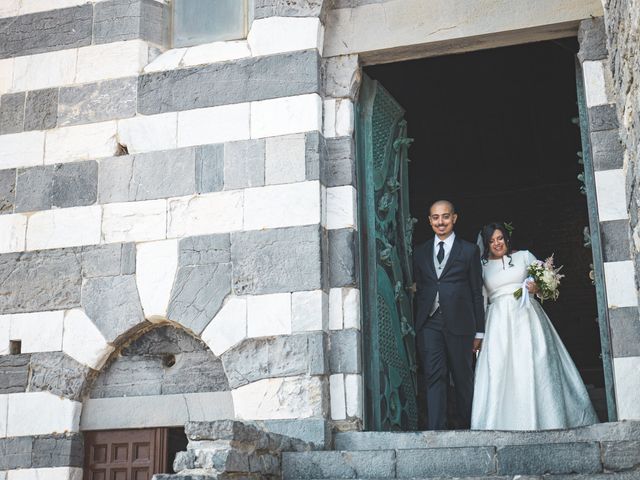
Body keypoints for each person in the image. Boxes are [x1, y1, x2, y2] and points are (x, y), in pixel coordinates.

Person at [471, 222, 598, 430]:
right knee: (500, 368)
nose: (497, 243)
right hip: (498, 322)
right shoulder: (482, 266)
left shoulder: (524, 256)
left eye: (500, 238)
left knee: (535, 362)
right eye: (492, 241)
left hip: (527, 316)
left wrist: (536, 286)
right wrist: (480, 332)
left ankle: (550, 418)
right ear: (486, 244)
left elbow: (546, 286)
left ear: (506, 238)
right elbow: (481, 300)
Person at [413, 200, 485, 430]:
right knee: (434, 376)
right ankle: (436, 430)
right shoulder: (420, 251)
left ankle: (471, 426)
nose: (440, 222)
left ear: (454, 218)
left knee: (463, 377)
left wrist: (479, 331)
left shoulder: (469, 250)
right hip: (430, 323)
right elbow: (422, 286)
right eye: (435, 217)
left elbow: (476, 292)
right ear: (430, 221)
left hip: (461, 324)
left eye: (445, 216)